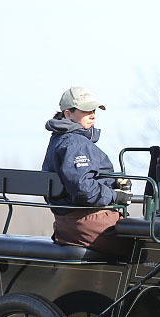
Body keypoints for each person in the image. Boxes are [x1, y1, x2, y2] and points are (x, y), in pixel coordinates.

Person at [41, 86, 132, 256]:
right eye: (86, 111)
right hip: (86, 223)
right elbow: (83, 188)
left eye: (94, 110)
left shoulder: (60, 139)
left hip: (67, 224)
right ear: (68, 114)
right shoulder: (75, 142)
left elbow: (77, 179)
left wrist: (114, 181)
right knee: (144, 243)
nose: (93, 115)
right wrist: (115, 196)